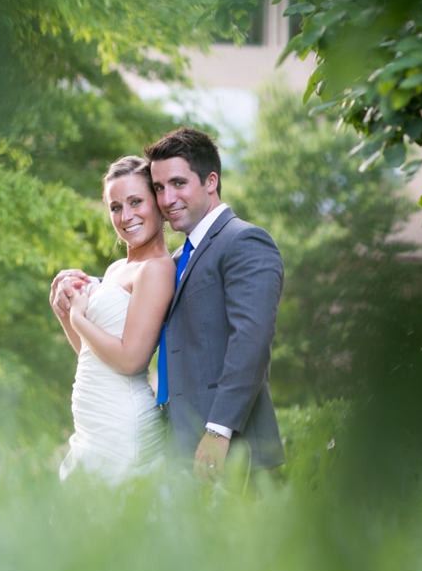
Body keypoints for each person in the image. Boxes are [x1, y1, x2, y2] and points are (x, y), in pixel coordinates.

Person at [54, 128, 285, 484]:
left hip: (231, 446)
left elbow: (251, 343)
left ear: (211, 181)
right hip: (175, 440)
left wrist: (219, 430)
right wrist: (87, 290)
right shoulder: (181, 258)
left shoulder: (244, 240)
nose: (167, 198)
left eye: (178, 183)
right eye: (159, 188)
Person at [50, 155, 175, 485]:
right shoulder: (116, 269)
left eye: (136, 202)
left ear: (158, 204)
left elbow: (132, 361)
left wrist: (78, 316)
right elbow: (91, 354)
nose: (126, 216)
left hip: (122, 425)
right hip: (95, 422)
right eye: (116, 207)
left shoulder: (157, 269)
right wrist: (63, 309)